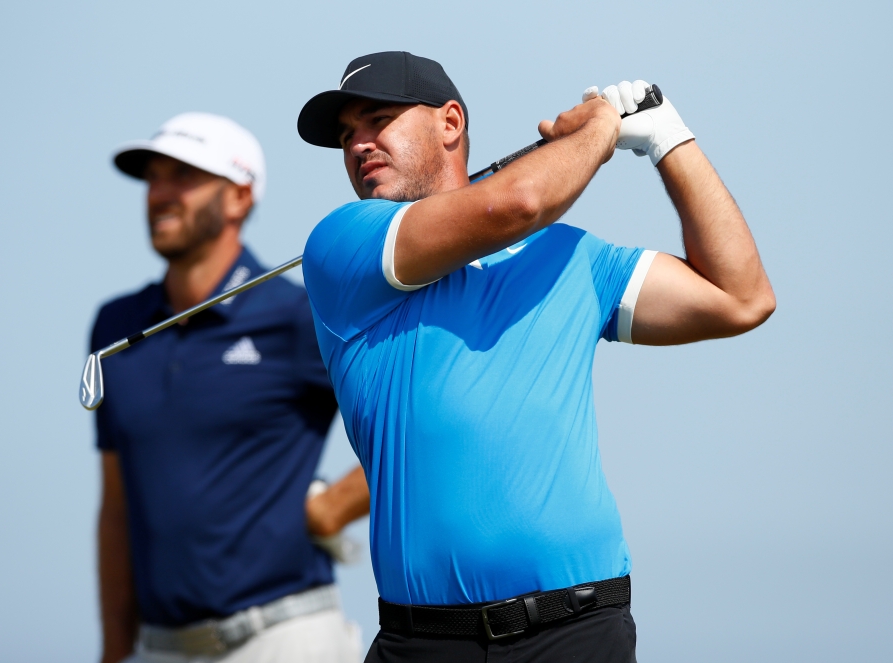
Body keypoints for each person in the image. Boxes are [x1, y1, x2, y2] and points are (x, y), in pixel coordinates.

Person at [296, 52, 775, 662]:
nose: (358, 144)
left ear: (449, 124)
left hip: (578, 630)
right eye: (345, 136)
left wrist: (668, 138)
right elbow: (517, 202)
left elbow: (741, 297)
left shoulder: (572, 258)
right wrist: (601, 128)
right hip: (424, 645)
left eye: (377, 120)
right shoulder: (344, 245)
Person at [89, 112, 369, 663]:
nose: (159, 194)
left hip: (284, 639)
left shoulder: (294, 315)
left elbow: (414, 423)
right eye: (153, 178)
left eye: (183, 177)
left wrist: (332, 507)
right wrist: (115, 649)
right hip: (160, 647)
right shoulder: (114, 327)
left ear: (240, 198)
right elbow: (117, 504)